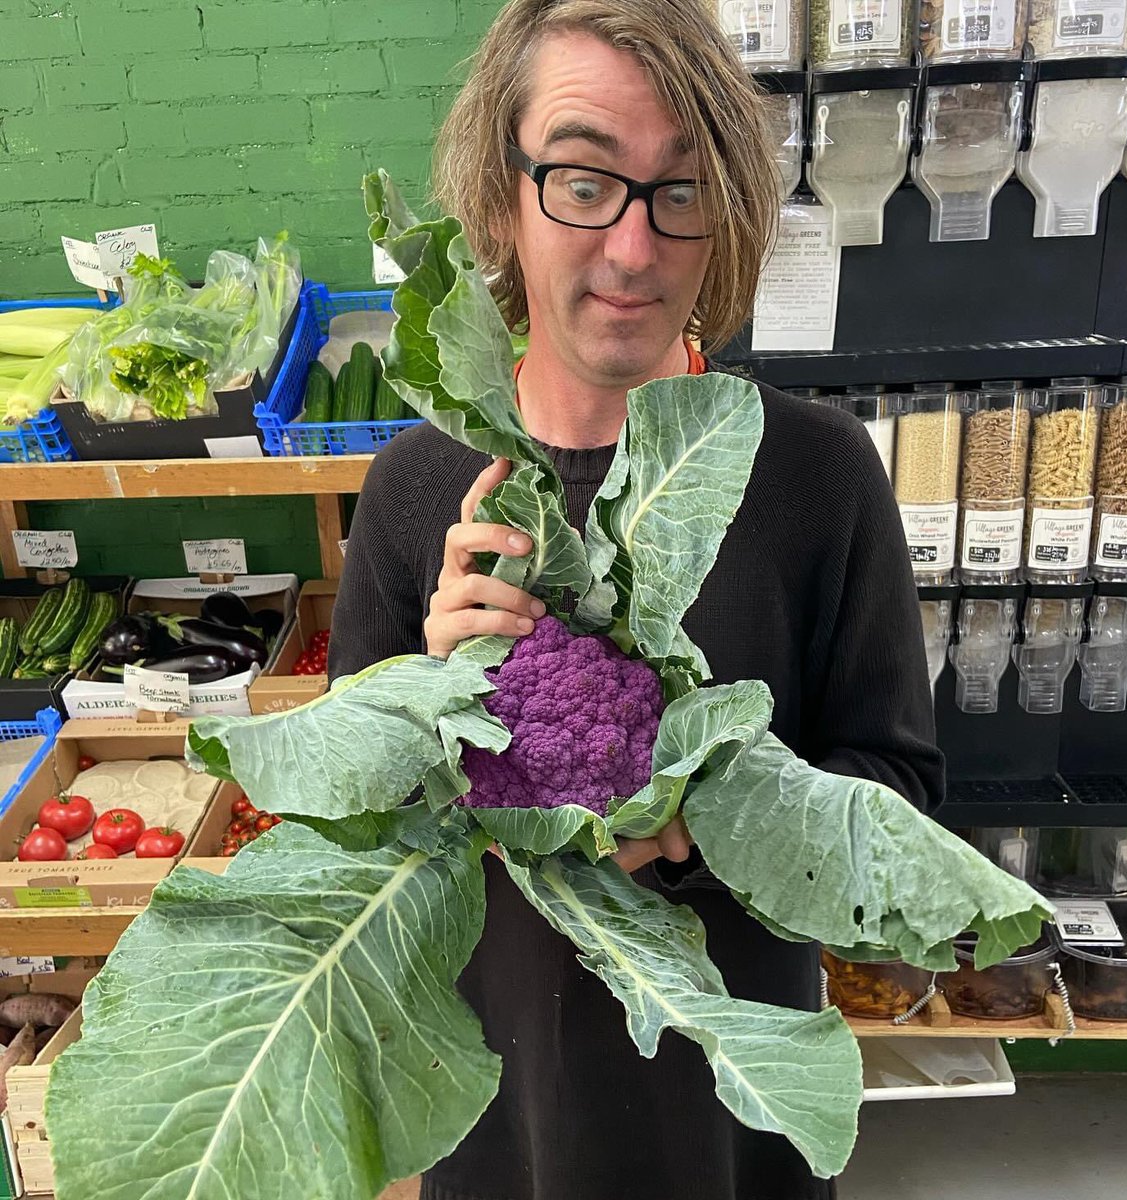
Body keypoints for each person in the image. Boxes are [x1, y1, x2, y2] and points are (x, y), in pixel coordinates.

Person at [330, 1, 944, 1197]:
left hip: (733, 1126)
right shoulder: (417, 490)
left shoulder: (818, 478)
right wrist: (426, 703)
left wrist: (697, 820)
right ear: (503, 192)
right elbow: (356, 835)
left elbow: (902, 813)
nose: (631, 247)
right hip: (503, 1136)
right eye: (582, 179)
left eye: (681, 190)